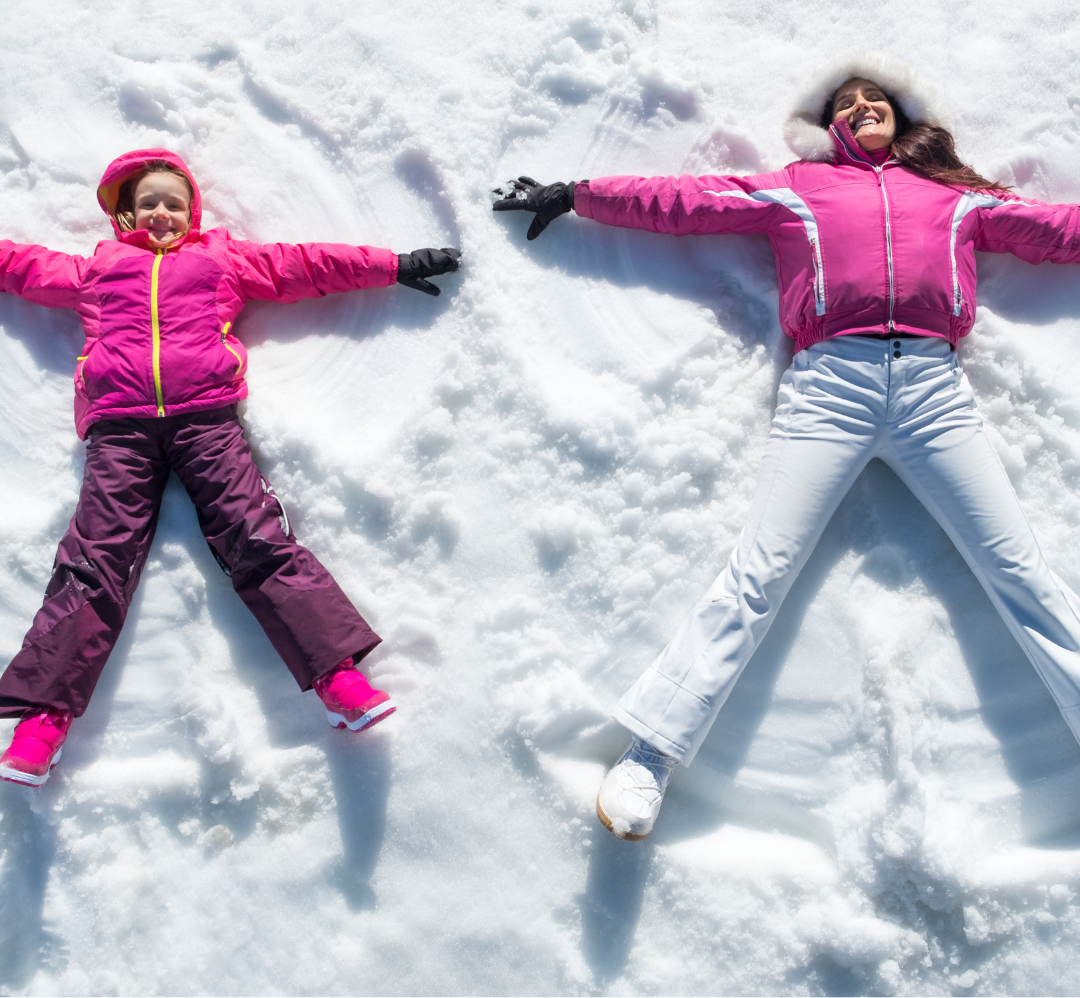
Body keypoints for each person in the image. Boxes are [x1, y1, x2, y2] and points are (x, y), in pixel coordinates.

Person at [493, 52, 1080, 840]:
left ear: (900, 120)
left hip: (935, 393)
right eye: (850, 101)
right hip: (831, 387)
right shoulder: (796, 188)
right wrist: (578, 194)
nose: (864, 106)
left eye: (877, 99)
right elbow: (689, 203)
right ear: (830, 126)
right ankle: (650, 754)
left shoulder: (954, 199)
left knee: (1016, 567)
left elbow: (1058, 231)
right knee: (760, 572)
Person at [0, 148, 461, 787]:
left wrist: (394, 265)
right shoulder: (97, 271)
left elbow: (304, 265)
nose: (161, 212)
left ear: (190, 211)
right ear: (126, 214)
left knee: (257, 538)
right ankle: (40, 723)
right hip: (119, 433)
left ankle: (339, 678)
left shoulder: (221, 261)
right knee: (95, 559)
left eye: (174, 202)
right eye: (148, 203)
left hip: (206, 422)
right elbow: (19, 267)